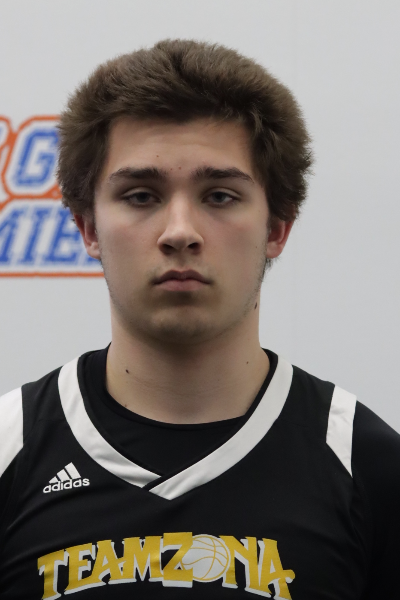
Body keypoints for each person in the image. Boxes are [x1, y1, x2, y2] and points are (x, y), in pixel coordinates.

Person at [0, 39, 399, 600]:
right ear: (88, 228)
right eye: (142, 196)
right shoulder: (9, 449)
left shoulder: (368, 465)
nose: (180, 231)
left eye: (219, 196)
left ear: (277, 228)